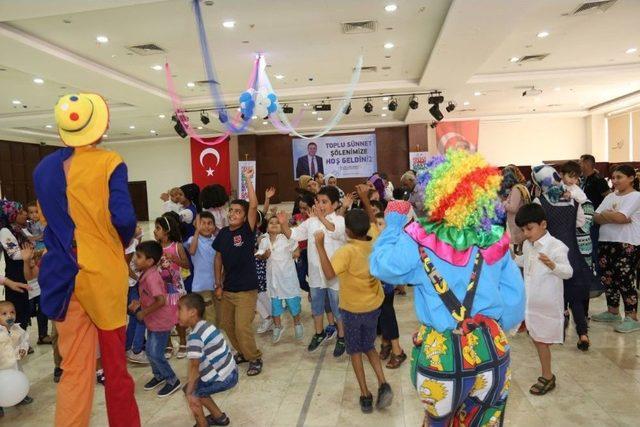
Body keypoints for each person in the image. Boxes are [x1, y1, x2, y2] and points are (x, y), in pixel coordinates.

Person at [371, 150, 525, 426]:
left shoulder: (419, 239)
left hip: (441, 357)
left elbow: (382, 267)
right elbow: (514, 301)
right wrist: (492, 329)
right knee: (486, 421)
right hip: (491, 350)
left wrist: (393, 225)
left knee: (439, 421)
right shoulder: (494, 238)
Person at [34, 93, 140, 426]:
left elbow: (47, 219)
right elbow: (123, 218)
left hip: (62, 274)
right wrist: (116, 243)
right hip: (102, 275)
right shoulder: (110, 162)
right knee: (114, 368)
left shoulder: (43, 169)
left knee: (74, 369)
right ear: (101, 125)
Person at [315, 204, 393, 413]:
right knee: (369, 345)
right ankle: (383, 382)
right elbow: (371, 221)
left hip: (352, 309)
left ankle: (365, 394)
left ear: (348, 231)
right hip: (373, 305)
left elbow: (330, 274)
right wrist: (366, 199)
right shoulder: (374, 240)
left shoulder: (347, 251)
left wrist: (320, 246)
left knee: (356, 351)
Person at [531, 165, 597, 350]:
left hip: (549, 253)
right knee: (575, 296)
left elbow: (537, 229)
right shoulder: (573, 200)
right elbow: (582, 223)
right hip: (571, 252)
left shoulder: (539, 201)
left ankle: (554, 332)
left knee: (552, 293)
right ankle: (583, 334)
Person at [278, 186, 348, 357]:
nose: (320, 205)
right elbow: (292, 234)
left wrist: (322, 217)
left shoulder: (338, 220)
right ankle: (319, 333)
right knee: (316, 306)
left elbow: (334, 230)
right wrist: (283, 223)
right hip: (316, 275)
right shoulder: (310, 222)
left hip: (334, 274)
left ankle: (342, 336)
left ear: (335, 204)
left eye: (325, 202)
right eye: (318, 201)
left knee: (337, 307)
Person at [515, 203, 573, 395]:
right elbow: (525, 261)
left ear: (543, 224)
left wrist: (553, 265)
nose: (526, 233)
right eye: (523, 230)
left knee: (541, 341)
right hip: (531, 303)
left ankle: (548, 376)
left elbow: (568, 272)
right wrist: (511, 258)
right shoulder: (527, 245)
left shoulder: (556, 246)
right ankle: (547, 375)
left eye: (529, 229)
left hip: (546, 305)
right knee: (537, 339)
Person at [213, 168, 263, 376]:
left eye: (238, 212)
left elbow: (253, 205)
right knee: (226, 324)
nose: (233, 214)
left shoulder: (246, 232)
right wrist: (218, 283)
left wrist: (248, 179)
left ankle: (255, 357)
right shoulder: (223, 233)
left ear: (245, 218)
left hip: (246, 290)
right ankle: (242, 352)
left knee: (242, 327)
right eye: (231, 210)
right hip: (228, 289)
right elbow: (218, 258)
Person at [129, 240, 181, 398]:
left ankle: (172, 379)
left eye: (138, 257)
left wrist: (143, 313)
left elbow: (161, 300)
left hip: (160, 321)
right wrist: (139, 303)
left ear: (150, 261)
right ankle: (159, 375)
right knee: (151, 352)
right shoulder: (145, 274)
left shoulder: (151, 277)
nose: (135, 260)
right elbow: (149, 297)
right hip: (153, 321)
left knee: (155, 353)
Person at [593, 164, 640, 333]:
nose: (615, 181)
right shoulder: (610, 196)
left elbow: (621, 217)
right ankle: (613, 311)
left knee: (624, 278)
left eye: (619, 177)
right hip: (606, 241)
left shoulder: (635, 197)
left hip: (627, 242)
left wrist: (607, 215)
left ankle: (631, 316)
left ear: (631, 178)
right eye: (613, 178)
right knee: (608, 277)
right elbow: (596, 218)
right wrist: (611, 216)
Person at [180, 293, 237, 427]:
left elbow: (194, 366)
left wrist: (190, 391)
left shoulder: (195, 336)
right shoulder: (206, 325)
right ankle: (219, 418)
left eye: (179, 309)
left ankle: (202, 424)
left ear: (192, 312)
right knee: (199, 388)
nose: (176, 313)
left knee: (192, 392)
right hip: (231, 371)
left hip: (223, 377)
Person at [257, 216, 303, 343]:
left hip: (287, 279)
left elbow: (296, 248)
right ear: (267, 227)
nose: (274, 224)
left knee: (292, 304)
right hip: (273, 280)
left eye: (277, 222)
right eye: (271, 223)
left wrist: (296, 253)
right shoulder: (264, 240)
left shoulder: (286, 238)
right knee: (275, 306)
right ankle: (277, 326)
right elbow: (261, 255)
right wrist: (264, 255)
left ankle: (297, 323)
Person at [374, 212, 407, 369]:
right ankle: (385, 342)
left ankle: (397, 350)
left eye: (381, 224)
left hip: (386, 287)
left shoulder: (391, 242)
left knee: (387, 314)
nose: (378, 227)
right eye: (377, 224)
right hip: (377, 287)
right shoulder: (377, 241)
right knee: (381, 315)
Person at [154, 215, 189, 358]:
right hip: (161, 288)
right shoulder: (155, 248)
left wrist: (175, 259)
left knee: (178, 315)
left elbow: (186, 264)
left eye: (158, 228)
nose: (155, 231)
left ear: (167, 231)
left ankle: (183, 341)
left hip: (176, 287)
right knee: (164, 315)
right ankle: (168, 344)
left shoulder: (177, 246)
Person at [0, 200, 30, 332]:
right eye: (20, 212)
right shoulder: (5, 231)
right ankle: (17, 341)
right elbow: (14, 254)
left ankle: (22, 341)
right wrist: (29, 253)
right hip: (14, 275)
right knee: (15, 310)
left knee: (23, 309)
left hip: (19, 274)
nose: (24, 214)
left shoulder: (16, 230)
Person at [0, 300, 33, 417]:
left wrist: (23, 348)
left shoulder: (17, 329)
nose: (9, 316)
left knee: (19, 375)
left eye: (12, 312)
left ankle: (20, 395)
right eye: (4, 314)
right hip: (1, 365)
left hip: (15, 362)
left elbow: (25, 340)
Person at [187, 212, 218, 326]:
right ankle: (207, 338)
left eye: (209, 223)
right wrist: (196, 231)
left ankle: (212, 336)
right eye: (202, 223)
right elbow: (192, 251)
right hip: (201, 285)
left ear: (214, 226)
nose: (206, 226)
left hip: (216, 284)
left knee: (215, 313)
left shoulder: (216, 240)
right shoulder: (193, 239)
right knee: (207, 314)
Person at [580, 154, 611, 267]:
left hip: (595, 220)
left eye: (580, 163)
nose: (579, 165)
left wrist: (600, 213)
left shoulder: (598, 179)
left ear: (587, 164)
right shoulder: (585, 179)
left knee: (594, 247)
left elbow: (608, 197)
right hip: (586, 219)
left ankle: (596, 274)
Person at [20, 242, 51, 345]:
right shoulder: (23, 260)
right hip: (27, 290)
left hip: (39, 290)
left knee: (42, 311)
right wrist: (26, 261)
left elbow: (34, 273)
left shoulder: (39, 259)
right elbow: (28, 276)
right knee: (26, 313)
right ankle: (22, 342)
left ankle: (43, 335)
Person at [125, 227, 148, 364]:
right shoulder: (131, 244)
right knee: (140, 315)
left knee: (134, 317)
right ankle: (136, 350)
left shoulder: (131, 242)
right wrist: (139, 279)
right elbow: (125, 266)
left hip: (129, 285)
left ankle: (128, 347)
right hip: (132, 285)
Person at [500, 165, 530, 255]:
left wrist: (503, 203)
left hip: (517, 225)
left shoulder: (516, 189)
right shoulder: (522, 187)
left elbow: (513, 208)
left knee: (517, 256)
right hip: (522, 222)